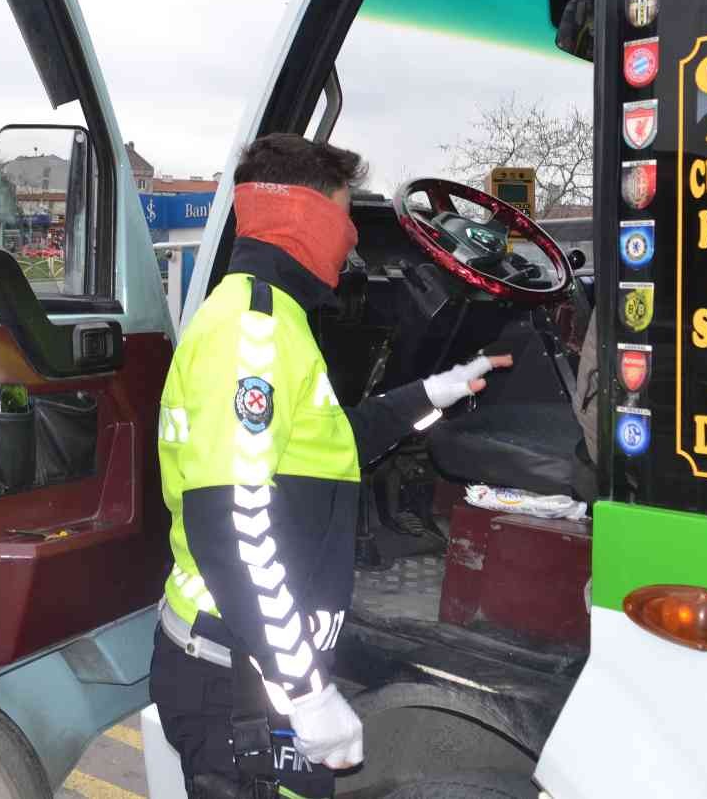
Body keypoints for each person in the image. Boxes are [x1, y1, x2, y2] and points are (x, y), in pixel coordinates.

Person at [151, 133, 511, 799]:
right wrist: (306, 692)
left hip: (254, 661)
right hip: (238, 674)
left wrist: (440, 390)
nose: (352, 238)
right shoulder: (252, 334)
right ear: (307, 219)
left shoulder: (274, 320)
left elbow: (328, 444)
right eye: (345, 215)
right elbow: (233, 527)